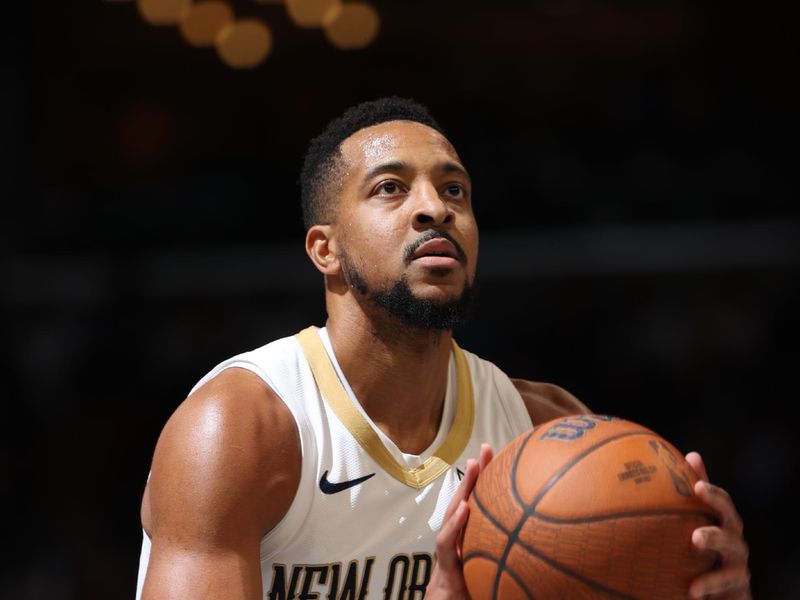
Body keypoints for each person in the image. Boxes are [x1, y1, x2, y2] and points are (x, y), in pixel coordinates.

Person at [135, 97, 750, 599]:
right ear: (326, 250)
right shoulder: (238, 431)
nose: (435, 209)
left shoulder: (545, 431)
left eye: (455, 191)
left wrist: (704, 583)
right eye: (390, 188)